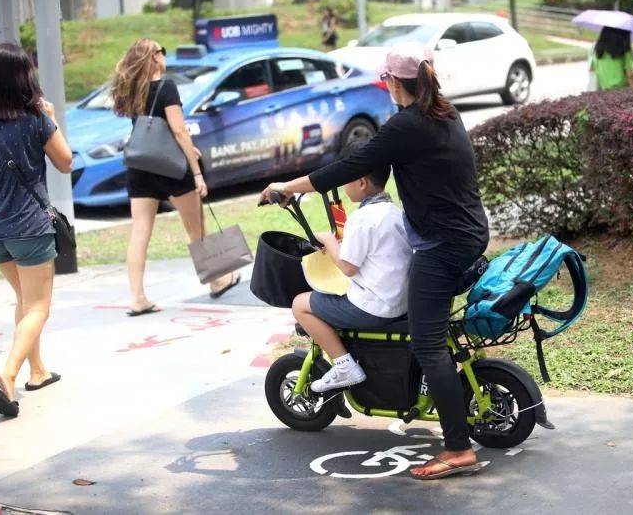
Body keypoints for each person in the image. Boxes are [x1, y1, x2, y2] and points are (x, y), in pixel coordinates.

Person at [260, 42, 489, 480]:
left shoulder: (408, 124)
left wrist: (287, 187)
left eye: (385, 78)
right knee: (425, 330)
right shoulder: (445, 114)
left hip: (442, 247)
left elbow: (348, 167)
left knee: (428, 344)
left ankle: (458, 449)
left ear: (393, 82)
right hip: (468, 235)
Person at [0, 43, 73, 417]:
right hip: (29, 226)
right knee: (38, 308)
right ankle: (9, 374)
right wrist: (52, 118)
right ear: (24, 78)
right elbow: (65, 162)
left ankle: (38, 371)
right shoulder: (36, 120)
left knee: (24, 300)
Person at [110, 39, 239, 316]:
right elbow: (179, 131)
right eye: (162, 51)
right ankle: (216, 281)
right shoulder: (166, 86)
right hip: (171, 168)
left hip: (140, 165)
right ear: (154, 58)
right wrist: (197, 172)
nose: (164, 56)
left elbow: (151, 128)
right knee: (195, 227)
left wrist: (187, 148)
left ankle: (137, 297)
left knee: (139, 231)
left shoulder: (132, 88)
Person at [292, 159, 412, 393]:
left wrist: (328, 240)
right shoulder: (396, 213)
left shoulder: (362, 218)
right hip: (400, 303)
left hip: (374, 308)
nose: (343, 184)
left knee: (300, 305)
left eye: (346, 178)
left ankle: (344, 366)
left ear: (361, 182)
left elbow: (348, 268)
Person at [591, 26, 633, 91]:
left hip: (604, 91)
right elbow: (630, 75)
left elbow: (593, 69)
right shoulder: (625, 50)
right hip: (622, 91)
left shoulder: (597, 50)